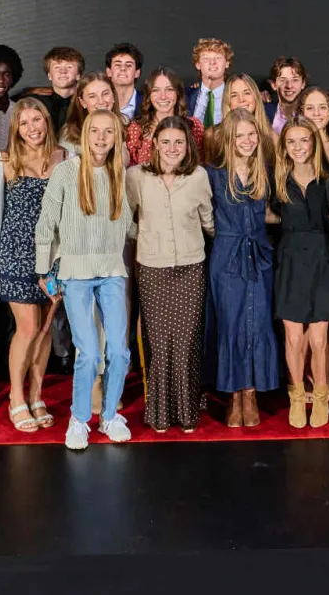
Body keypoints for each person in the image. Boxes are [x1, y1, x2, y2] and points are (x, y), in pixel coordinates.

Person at [36, 109, 134, 450]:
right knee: (89, 353)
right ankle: (79, 420)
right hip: (75, 274)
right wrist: (43, 269)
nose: (102, 138)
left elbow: (129, 223)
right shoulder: (65, 171)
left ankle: (109, 416)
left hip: (111, 273)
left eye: (110, 132)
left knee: (119, 353)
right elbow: (46, 222)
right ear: (86, 134)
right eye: (96, 131)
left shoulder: (119, 172)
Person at [0, 98, 67, 433]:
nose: (32, 128)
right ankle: (16, 397)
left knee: (44, 329)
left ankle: (37, 395)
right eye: (24, 123)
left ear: (47, 122)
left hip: (52, 259)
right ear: (15, 128)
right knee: (26, 328)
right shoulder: (2, 161)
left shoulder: (66, 158)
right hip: (14, 255)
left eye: (37, 120)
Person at [124, 116, 214, 433]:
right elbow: (127, 217)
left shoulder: (199, 177)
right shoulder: (136, 176)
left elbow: (209, 221)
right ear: (155, 145)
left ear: (187, 145)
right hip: (152, 268)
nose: (172, 148)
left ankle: (188, 412)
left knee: (187, 341)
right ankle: (160, 413)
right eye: (166, 142)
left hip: (191, 267)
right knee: (159, 342)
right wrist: (146, 238)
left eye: (179, 142)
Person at [206, 108, 279, 427]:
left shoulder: (266, 171)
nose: (247, 141)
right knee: (232, 325)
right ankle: (234, 395)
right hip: (226, 255)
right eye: (240, 136)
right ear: (228, 139)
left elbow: (275, 213)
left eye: (252, 134)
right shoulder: (214, 174)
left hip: (260, 255)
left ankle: (251, 393)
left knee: (258, 323)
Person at [270, 118, 329, 428]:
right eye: (292, 142)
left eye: (304, 141)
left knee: (320, 340)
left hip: (324, 261)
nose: (299, 147)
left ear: (314, 143)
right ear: (284, 147)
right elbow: (270, 215)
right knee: (295, 338)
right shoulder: (276, 181)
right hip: (290, 262)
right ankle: (297, 396)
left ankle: (321, 393)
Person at [126, 68, 206, 166]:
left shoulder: (194, 126)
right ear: (149, 95)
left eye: (169, 89)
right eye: (156, 90)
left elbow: (200, 164)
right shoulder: (135, 129)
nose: (163, 96)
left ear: (177, 93)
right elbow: (130, 171)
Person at [203, 73, 268, 166]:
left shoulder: (271, 137)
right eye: (234, 95)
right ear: (227, 101)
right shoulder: (213, 136)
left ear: (256, 97)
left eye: (247, 93)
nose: (241, 99)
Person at [58, 71, 118, 154]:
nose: (101, 101)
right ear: (82, 102)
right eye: (92, 96)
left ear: (113, 96)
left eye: (105, 94)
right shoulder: (69, 132)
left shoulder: (126, 123)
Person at [30, 46, 84, 133]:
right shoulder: (36, 103)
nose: (63, 71)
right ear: (49, 75)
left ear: (78, 75)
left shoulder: (87, 102)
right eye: (57, 67)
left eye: (69, 67)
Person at [185, 38, 234, 129]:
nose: (212, 62)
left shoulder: (235, 95)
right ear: (198, 65)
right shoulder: (185, 96)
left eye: (218, 58)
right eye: (206, 58)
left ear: (227, 63)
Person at [298, 86, 329, 164]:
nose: (316, 113)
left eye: (322, 107)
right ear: (302, 112)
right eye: (310, 108)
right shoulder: (295, 146)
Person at [266, 57, 309, 134]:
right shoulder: (264, 112)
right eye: (282, 80)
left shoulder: (312, 112)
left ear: (303, 83)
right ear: (273, 85)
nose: (289, 86)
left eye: (295, 80)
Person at [105, 43, 144, 122]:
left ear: (137, 73)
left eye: (129, 65)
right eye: (117, 64)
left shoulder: (146, 103)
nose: (123, 68)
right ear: (109, 72)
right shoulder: (100, 103)